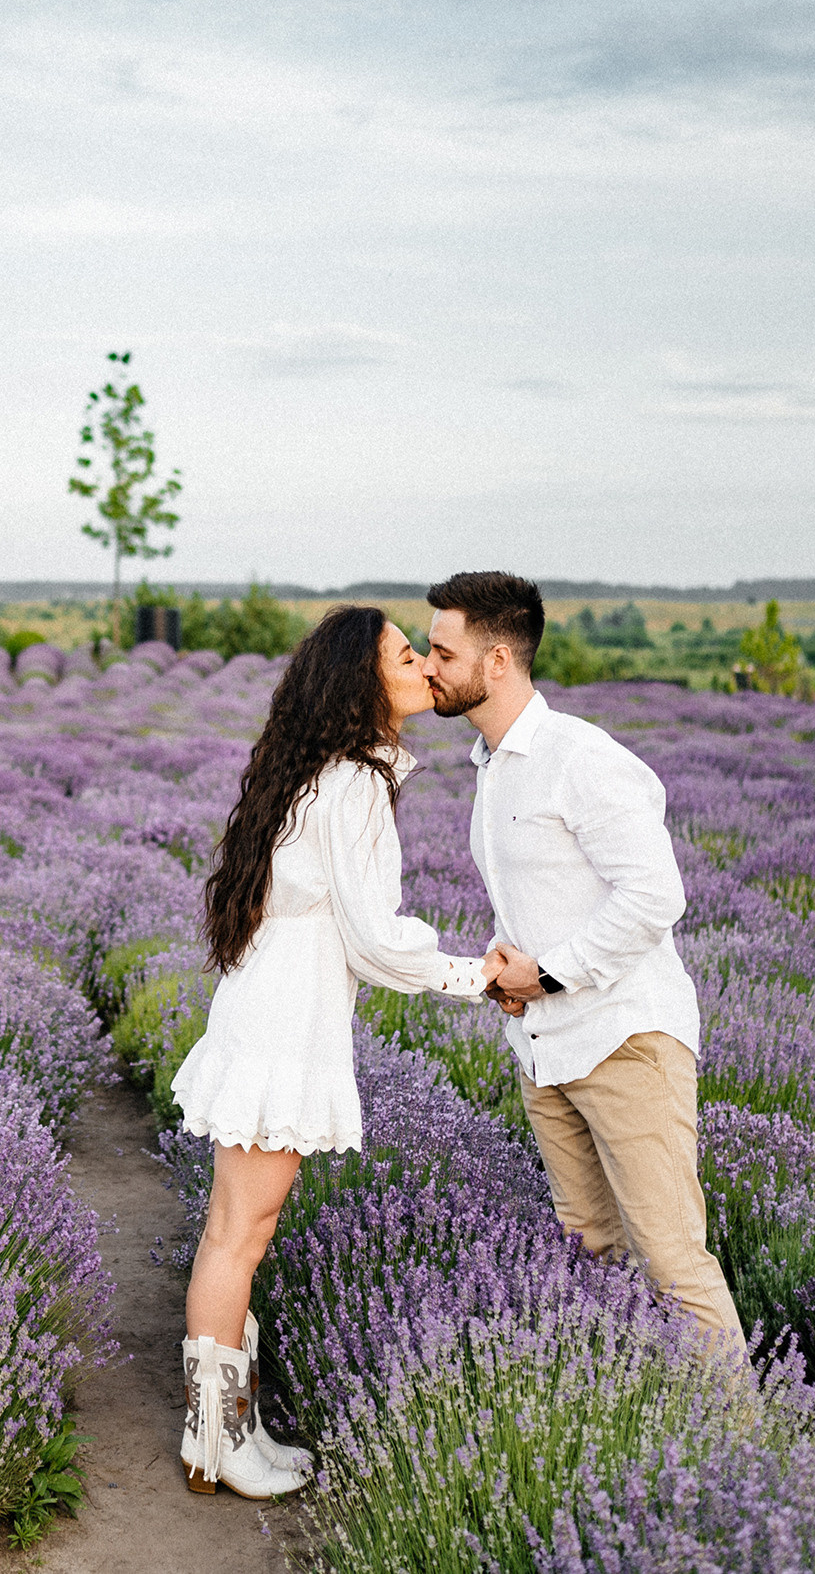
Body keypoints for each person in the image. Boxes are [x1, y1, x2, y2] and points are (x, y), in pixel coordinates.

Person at [169, 605, 505, 1499]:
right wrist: (474, 976)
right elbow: (372, 938)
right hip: (284, 1024)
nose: (427, 667)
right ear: (366, 682)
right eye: (407, 655)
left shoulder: (322, 770)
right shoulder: (353, 781)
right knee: (240, 1235)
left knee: (238, 1229)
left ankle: (229, 1431)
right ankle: (214, 1442)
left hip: (274, 1010)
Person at [420, 570, 744, 1354]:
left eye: (441, 649)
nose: (427, 664)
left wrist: (550, 972)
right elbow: (544, 901)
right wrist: (512, 969)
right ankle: (642, 1423)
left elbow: (655, 895)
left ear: (497, 661)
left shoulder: (579, 757)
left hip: (623, 1041)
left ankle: (750, 1459)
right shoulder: (490, 764)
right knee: (589, 1250)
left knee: (673, 1262)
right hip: (544, 1047)